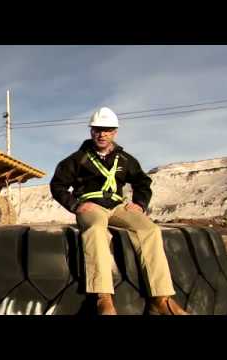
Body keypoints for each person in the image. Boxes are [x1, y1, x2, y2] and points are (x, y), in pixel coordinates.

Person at [50, 107, 189, 315]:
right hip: (92, 206)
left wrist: (140, 204)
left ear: (115, 132)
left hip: (119, 206)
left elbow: (143, 182)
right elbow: (58, 185)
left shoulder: (125, 160)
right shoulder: (76, 159)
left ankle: (161, 299)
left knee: (149, 229)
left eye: (107, 129)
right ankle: (103, 298)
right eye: (97, 129)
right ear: (91, 131)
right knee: (96, 229)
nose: (102, 134)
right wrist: (76, 205)